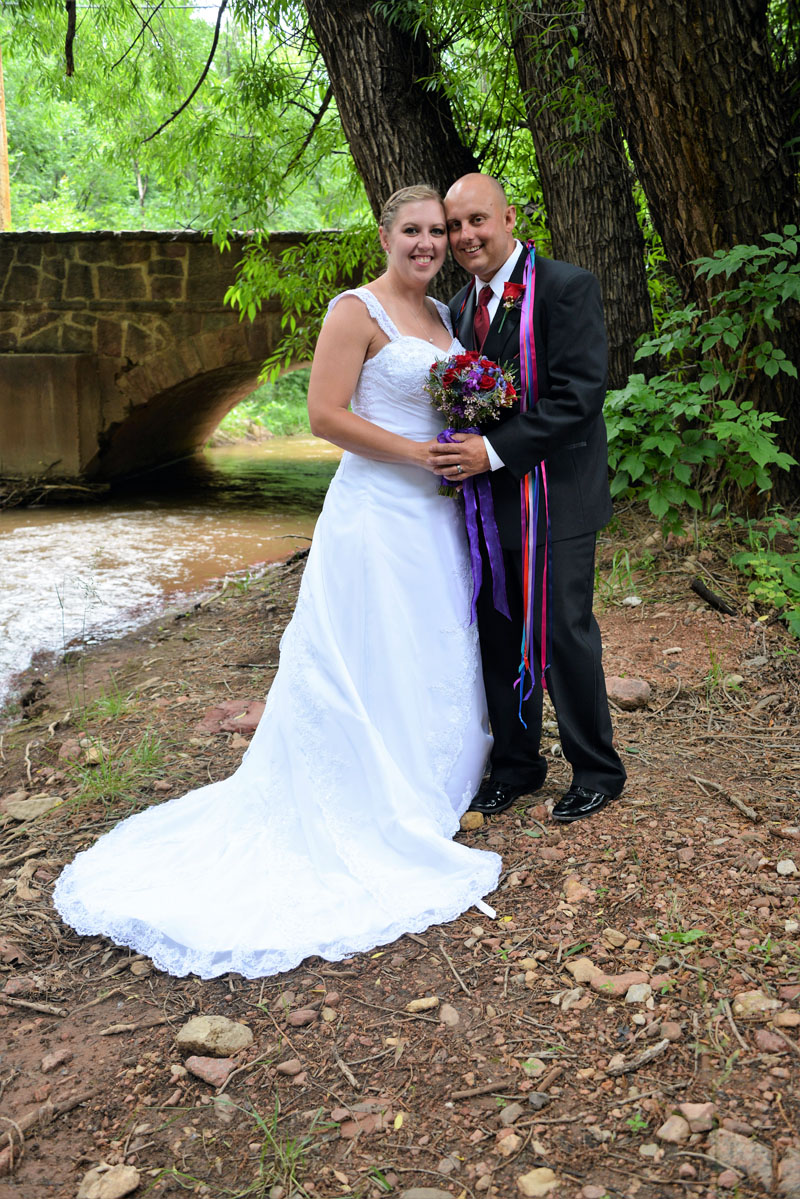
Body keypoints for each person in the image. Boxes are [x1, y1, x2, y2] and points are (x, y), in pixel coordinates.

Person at [53, 185, 501, 980]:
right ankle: (365, 796)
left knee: (428, 637)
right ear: (385, 235)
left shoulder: (446, 318)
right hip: (375, 510)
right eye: (414, 231)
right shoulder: (354, 311)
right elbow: (325, 418)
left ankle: (429, 778)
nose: (429, 243)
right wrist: (416, 455)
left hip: (435, 516)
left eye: (438, 231)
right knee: (366, 643)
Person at [431, 173, 626, 823]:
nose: (466, 236)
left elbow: (579, 397)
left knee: (563, 633)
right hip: (489, 511)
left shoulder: (566, 288)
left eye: (477, 220)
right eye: (455, 226)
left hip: (557, 499)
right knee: (497, 634)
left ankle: (597, 769)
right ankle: (516, 765)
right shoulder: (458, 309)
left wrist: (488, 452)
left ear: (510, 217)